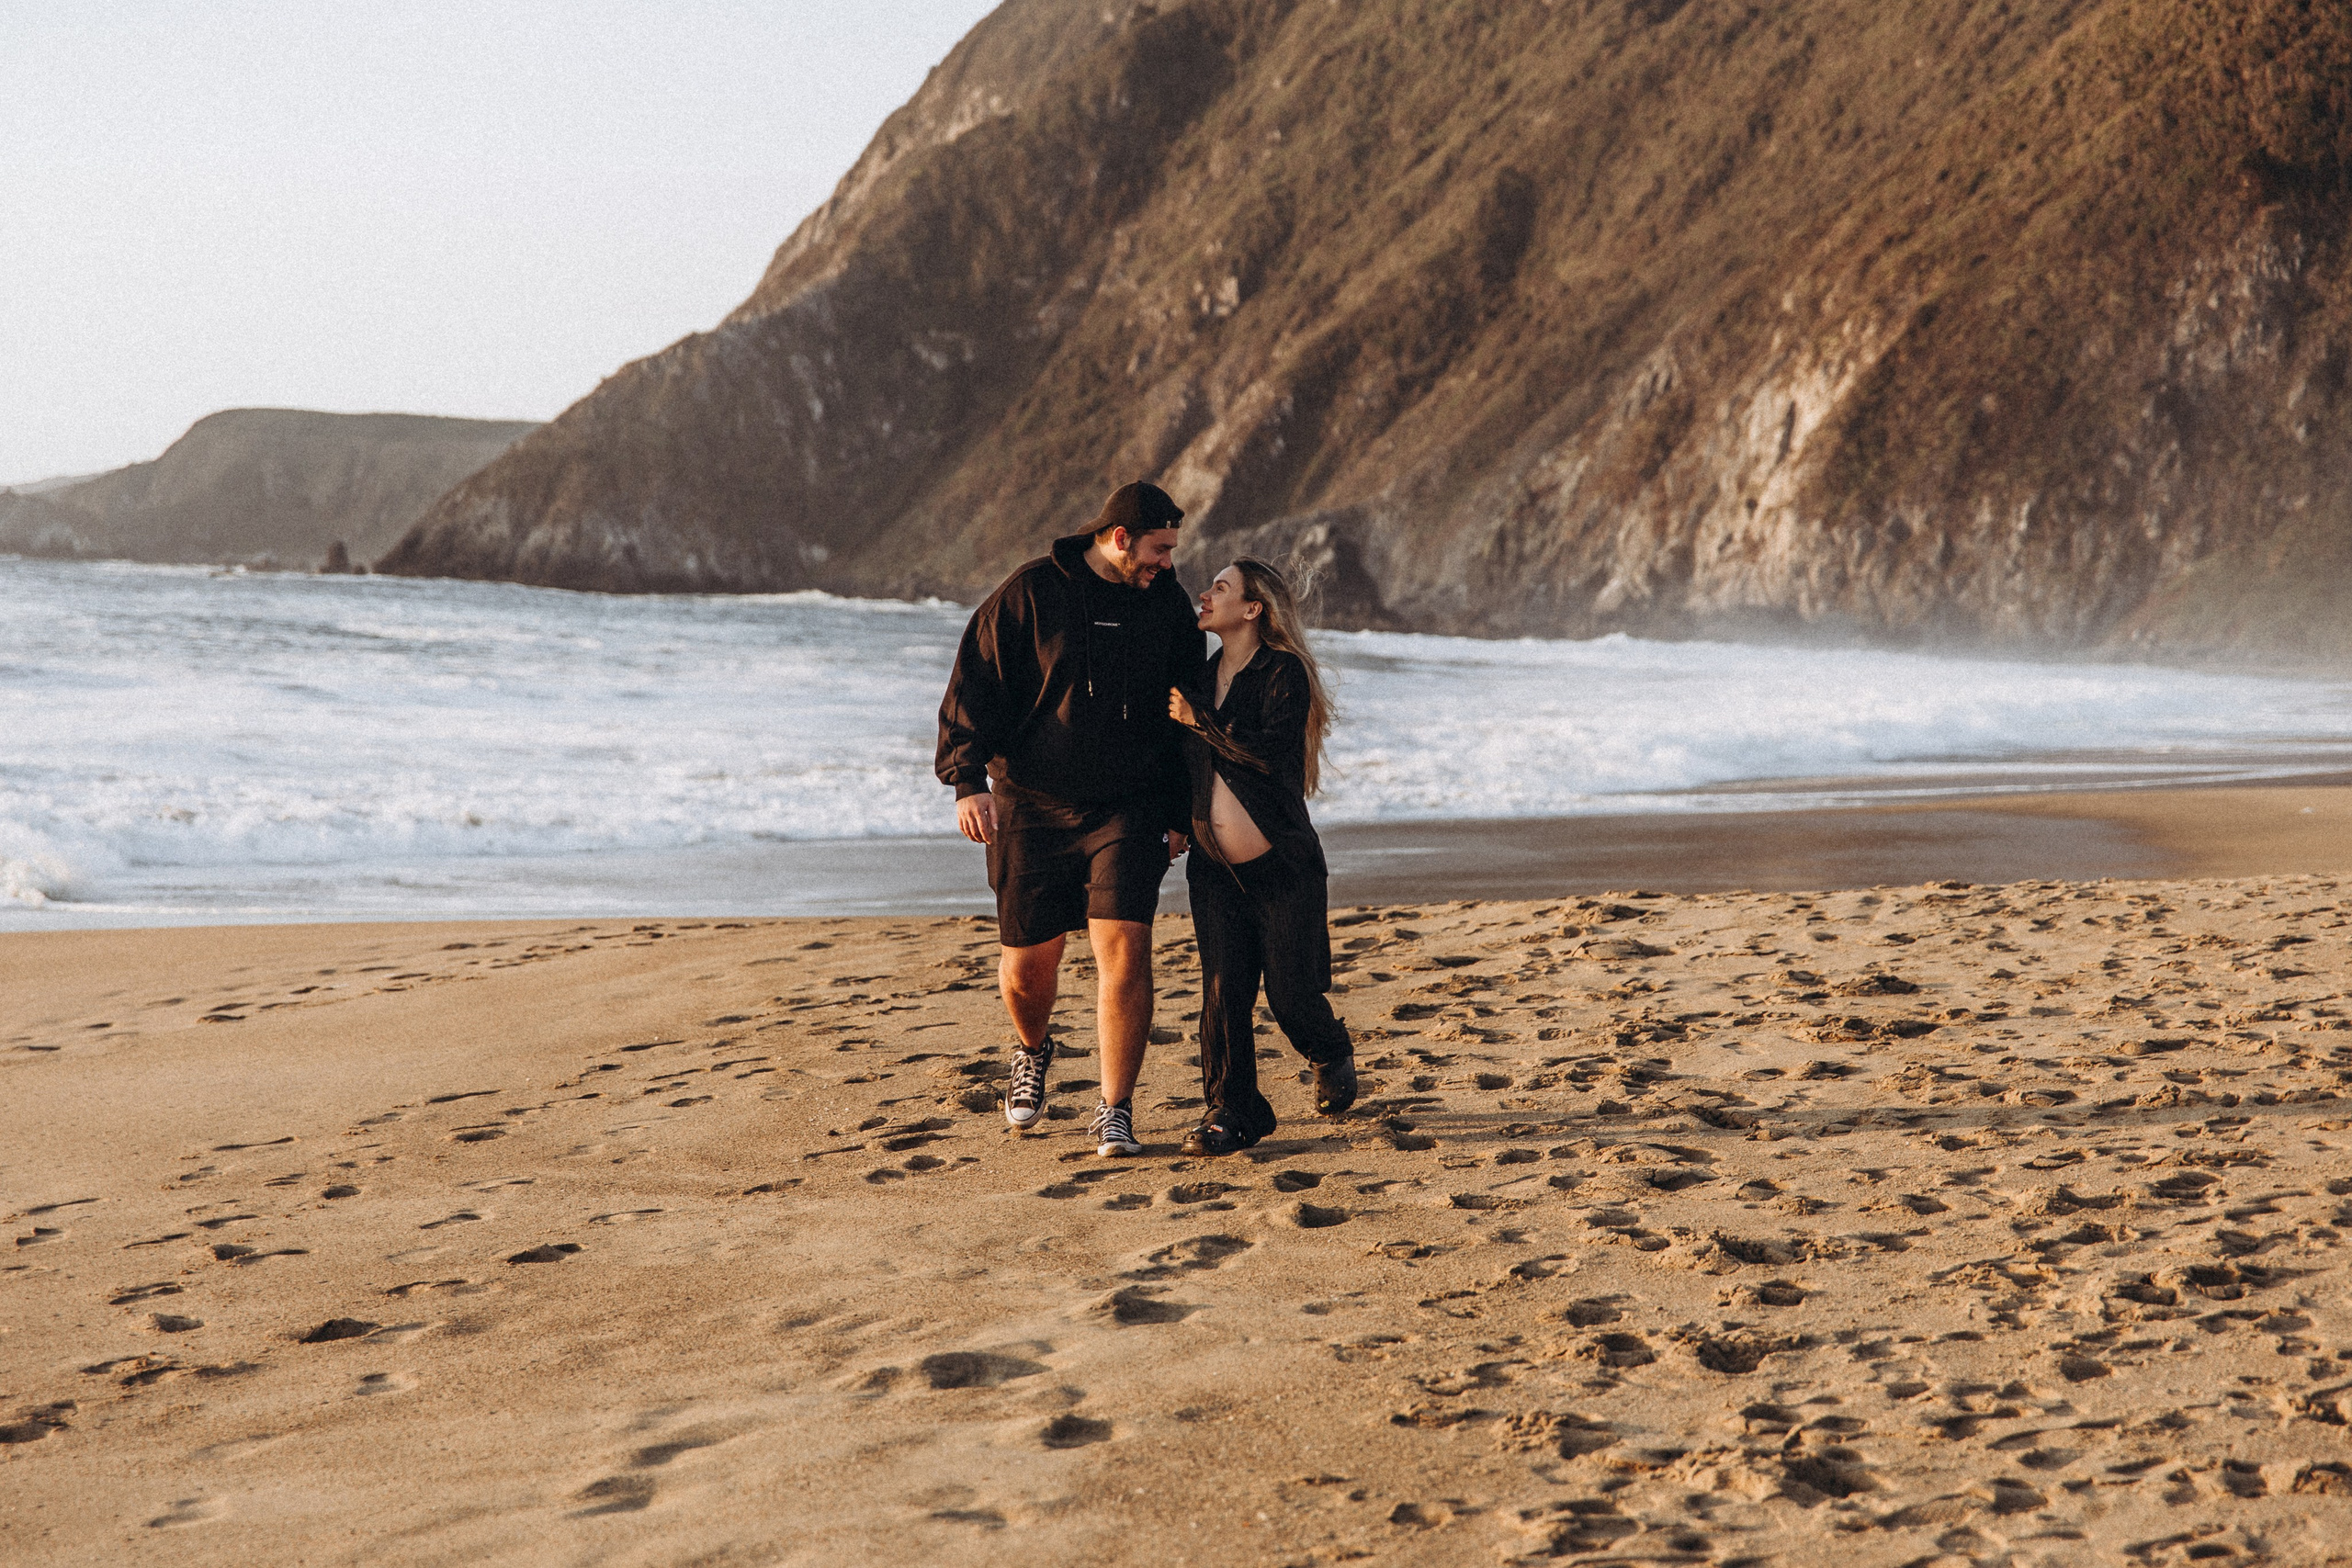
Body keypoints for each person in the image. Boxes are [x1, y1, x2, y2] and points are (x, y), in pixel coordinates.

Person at [936, 480, 1204, 1156]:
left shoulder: (1166, 607)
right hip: (1029, 801)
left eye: (1170, 550)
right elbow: (974, 682)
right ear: (1118, 539)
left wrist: (1178, 810)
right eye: (1158, 549)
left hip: (1127, 805)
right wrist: (968, 781)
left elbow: (1186, 718)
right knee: (1028, 967)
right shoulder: (1030, 594)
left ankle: (1115, 1108)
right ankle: (1032, 1049)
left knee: (1125, 947)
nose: (1167, 563)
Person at [1165, 557, 1356, 1155]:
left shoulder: (1284, 674)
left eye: (1219, 587)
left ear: (1252, 609)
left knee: (1291, 997)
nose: (1205, 593)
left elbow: (1270, 760)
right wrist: (1174, 824)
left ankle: (1328, 1049)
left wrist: (1203, 721)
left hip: (1284, 870)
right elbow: (1179, 766)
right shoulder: (1195, 679)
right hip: (1214, 871)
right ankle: (1233, 1111)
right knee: (1223, 993)